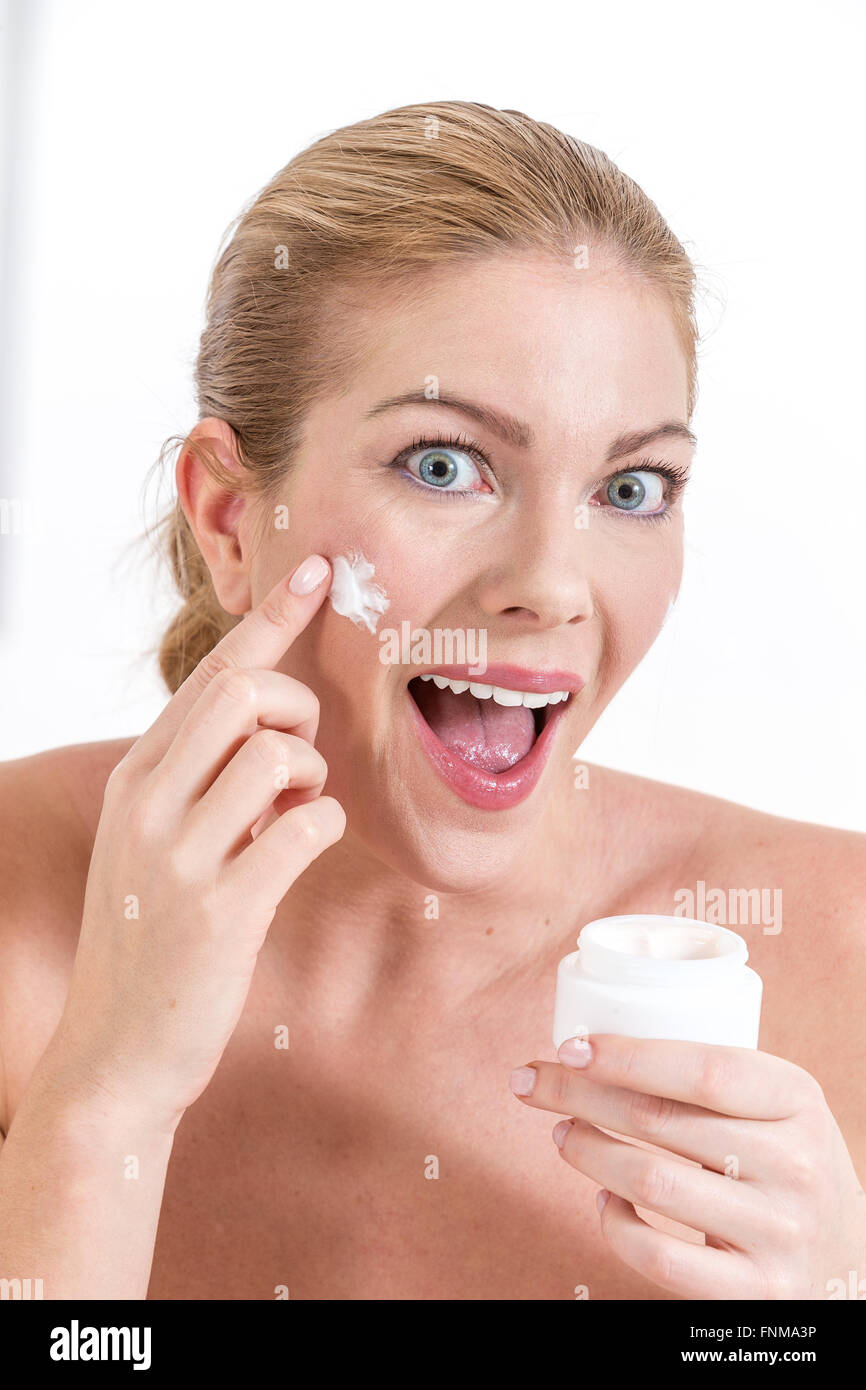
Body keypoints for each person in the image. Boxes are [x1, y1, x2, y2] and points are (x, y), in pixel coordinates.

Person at [1, 100, 864, 1301]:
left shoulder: (842, 955)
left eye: (629, 485)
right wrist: (105, 1100)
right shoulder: (17, 910)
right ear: (229, 517)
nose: (550, 586)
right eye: (443, 464)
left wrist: (821, 1312)